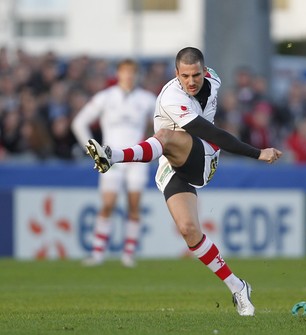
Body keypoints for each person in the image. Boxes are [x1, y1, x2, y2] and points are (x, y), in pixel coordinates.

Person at [85, 47, 282, 316]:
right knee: (189, 230)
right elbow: (206, 129)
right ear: (176, 74)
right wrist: (258, 152)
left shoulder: (214, 80)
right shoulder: (171, 98)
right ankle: (237, 286)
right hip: (173, 164)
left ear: (205, 71)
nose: (191, 81)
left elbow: (214, 134)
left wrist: (258, 153)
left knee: (165, 136)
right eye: (185, 76)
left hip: (204, 156)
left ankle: (114, 155)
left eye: (196, 75)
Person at [72, 59, 156, 267]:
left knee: (134, 205)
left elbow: (163, 125)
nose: (128, 77)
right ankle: (98, 253)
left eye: (132, 73)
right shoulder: (105, 97)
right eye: (125, 72)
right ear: (118, 74)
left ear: (137, 76)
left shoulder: (147, 99)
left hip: (136, 159)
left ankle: (128, 254)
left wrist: (154, 148)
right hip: (110, 159)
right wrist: (93, 151)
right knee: (108, 204)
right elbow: (79, 123)